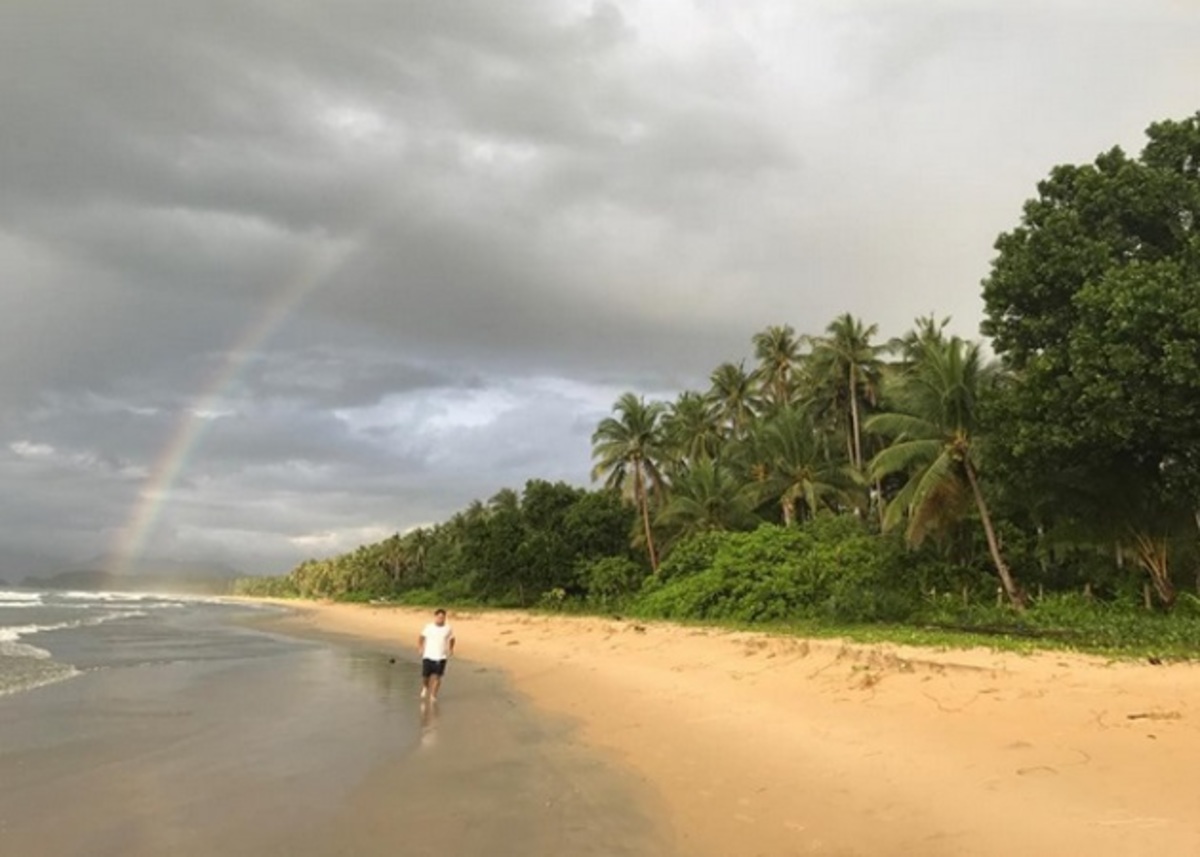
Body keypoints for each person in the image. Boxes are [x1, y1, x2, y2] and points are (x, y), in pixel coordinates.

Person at [417, 608, 455, 702]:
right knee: (426, 676)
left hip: (441, 656)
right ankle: (425, 687)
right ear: (435, 617)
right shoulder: (429, 627)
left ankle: (433, 695)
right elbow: (421, 637)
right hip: (428, 655)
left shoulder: (448, 628)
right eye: (439, 617)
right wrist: (420, 647)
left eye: (443, 617)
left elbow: (452, 638)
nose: (441, 619)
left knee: (438, 677)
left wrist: (451, 649)